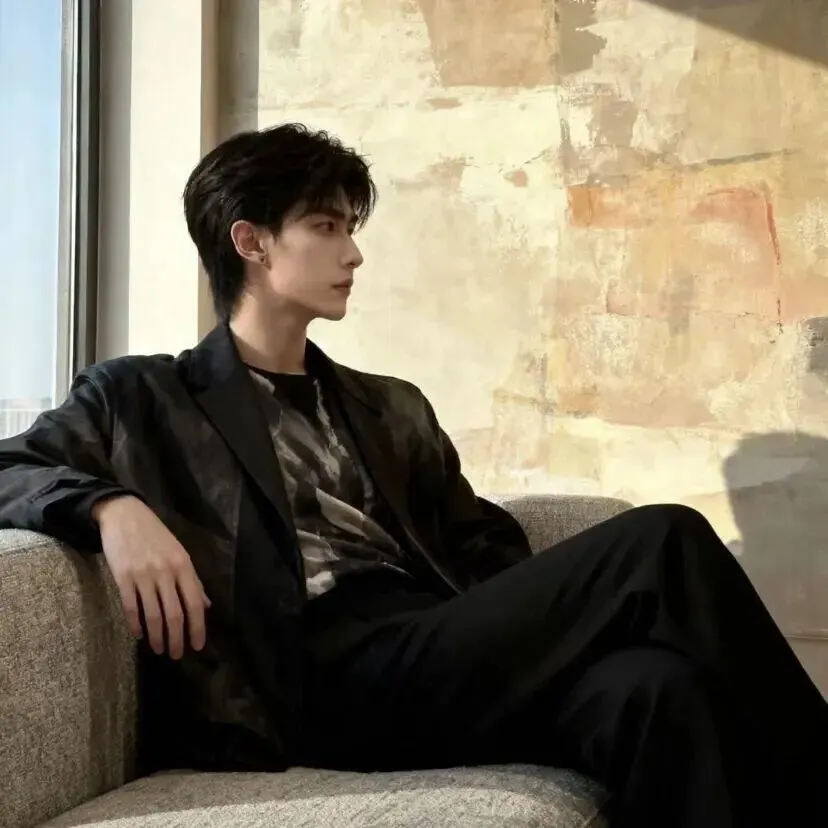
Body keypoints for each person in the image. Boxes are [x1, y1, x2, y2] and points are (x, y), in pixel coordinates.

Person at [0, 123, 824, 828]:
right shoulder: (143, 396)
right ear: (250, 242)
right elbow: (8, 467)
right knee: (663, 538)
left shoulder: (388, 406)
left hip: (427, 651)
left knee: (658, 688)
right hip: (312, 681)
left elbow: (481, 548)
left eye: (351, 227)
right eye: (326, 226)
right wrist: (109, 507)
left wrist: (552, 621)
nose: (353, 252)